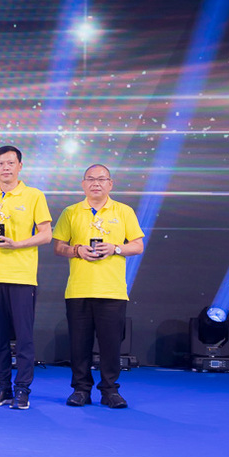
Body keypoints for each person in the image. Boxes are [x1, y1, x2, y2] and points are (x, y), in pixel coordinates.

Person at [52, 164, 145, 409]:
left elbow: (138, 245)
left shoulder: (123, 211)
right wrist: (76, 250)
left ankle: (110, 390)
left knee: (111, 345)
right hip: (78, 290)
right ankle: (81, 389)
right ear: (83, 184)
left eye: (101, 179)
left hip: (112, 290)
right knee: (79, 344)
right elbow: (58, 247)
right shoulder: (71, 212)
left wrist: (115, 248)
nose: (96, 183)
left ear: (110, 184)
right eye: (91, 179)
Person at [0, 145, 53, 410]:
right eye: (0, 163)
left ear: (20, 166)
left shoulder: (34, 195)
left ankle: (22, 390)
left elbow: (46, 234)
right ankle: (3, 388)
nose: (5, 168)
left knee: (24, 338)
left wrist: (17, 244)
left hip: (22, 277)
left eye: (10, 163)